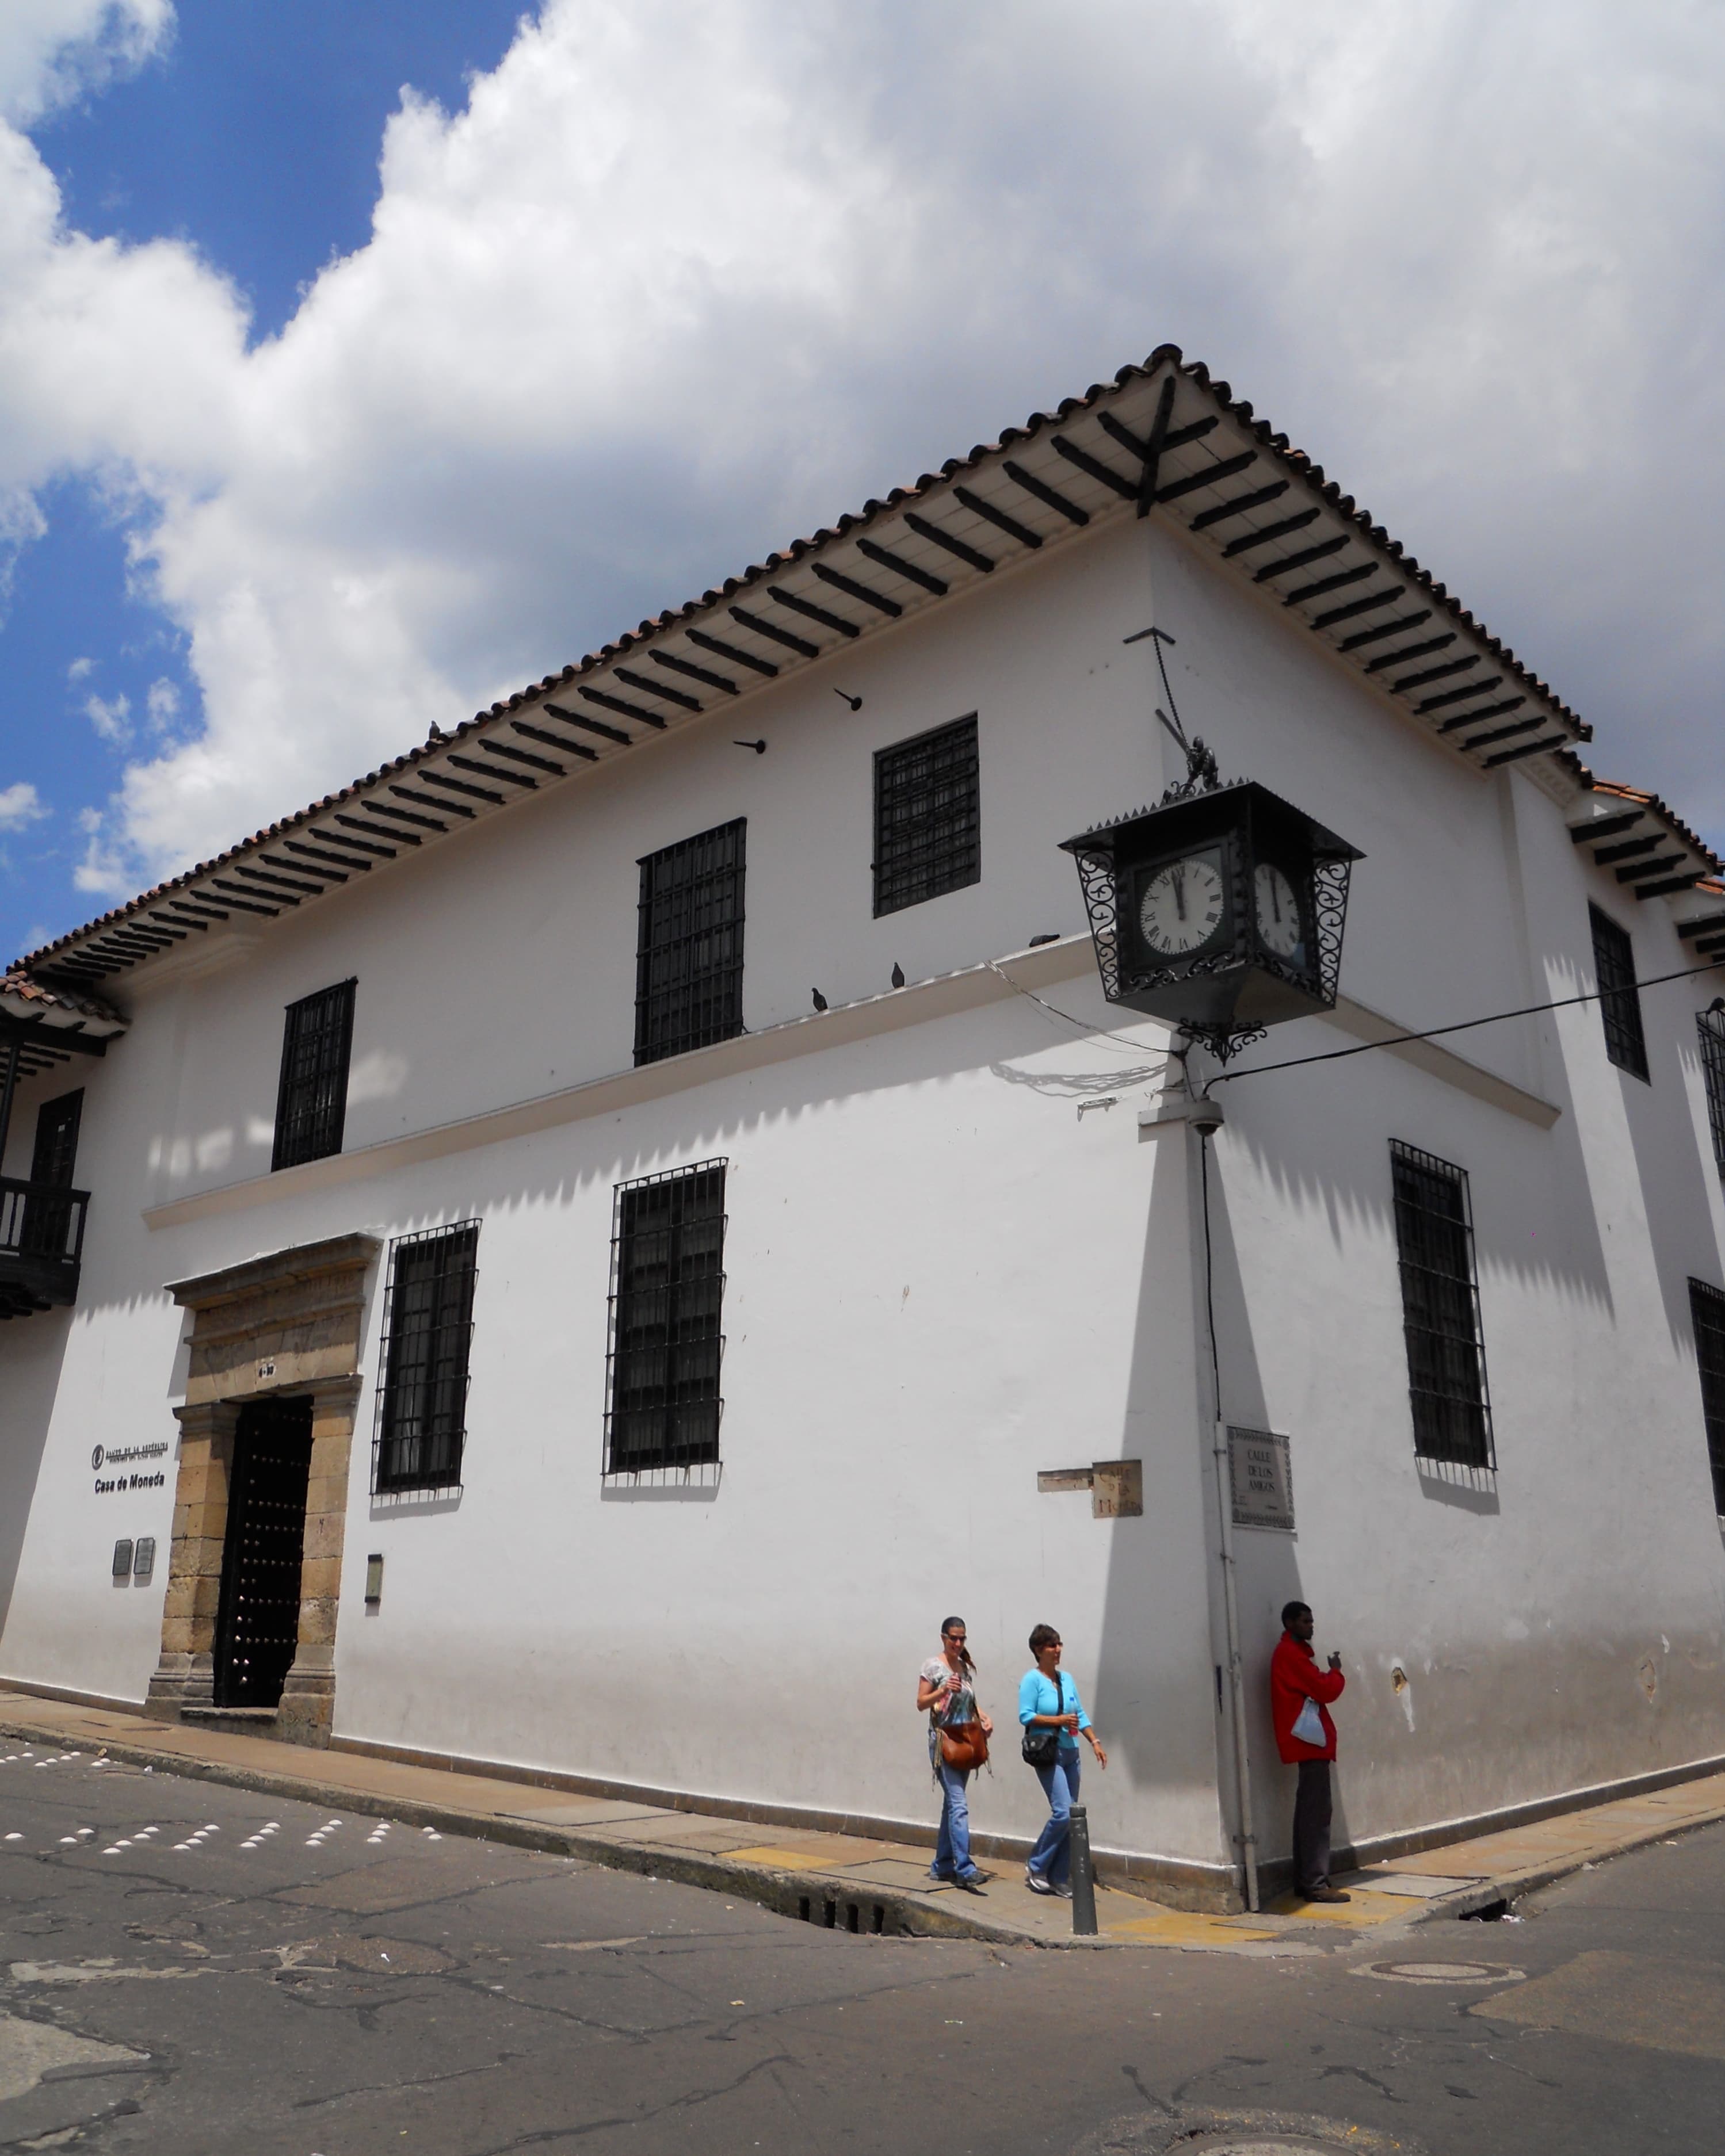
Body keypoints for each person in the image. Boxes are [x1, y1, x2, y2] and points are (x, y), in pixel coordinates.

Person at [1017, 1623, 1106, 1897]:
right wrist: (1057, 1720)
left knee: (1073, 1817)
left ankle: (1058, 1876)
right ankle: (1037, 1865)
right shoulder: (1032, 1680)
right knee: (1063, 1812)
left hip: (1071, 1752)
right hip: (1048, 1752)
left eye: (1059, 1645)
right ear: (1038, 1650)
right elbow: (1026, 1715)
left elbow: (1078, 1713)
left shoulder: (1066, 1679)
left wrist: (1094, 1741)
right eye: (1052, 1646)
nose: (1058, 1650)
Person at [1270, 1599, 1349, 1903]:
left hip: (1306, 1743)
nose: (1311, 1626)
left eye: (1311, 1621)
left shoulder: (1291, 1653)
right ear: (1289, 1623)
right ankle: (1315, 1883)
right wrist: (1336, 1672)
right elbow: (1325, 1689)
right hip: (1309, 1744)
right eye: (1305, 1622)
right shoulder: (1292, 1655)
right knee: (1316, 1814)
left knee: (1309, 1813)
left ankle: (1308, 1881)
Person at [917, 1616, 993, 1893]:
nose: (958, 1644)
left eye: (962, 1639)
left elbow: (971, 1704)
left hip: (966, 1740)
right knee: (959, 1804)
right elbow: (921, 1703)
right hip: (944, 1742)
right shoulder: (933, 1666)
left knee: (952, 1805)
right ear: (943, 1638)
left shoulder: (964, 1668)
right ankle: (965, 1868)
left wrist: (985, 1719)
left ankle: (942, 1865)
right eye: (953, 1639)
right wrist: (942, 1690)